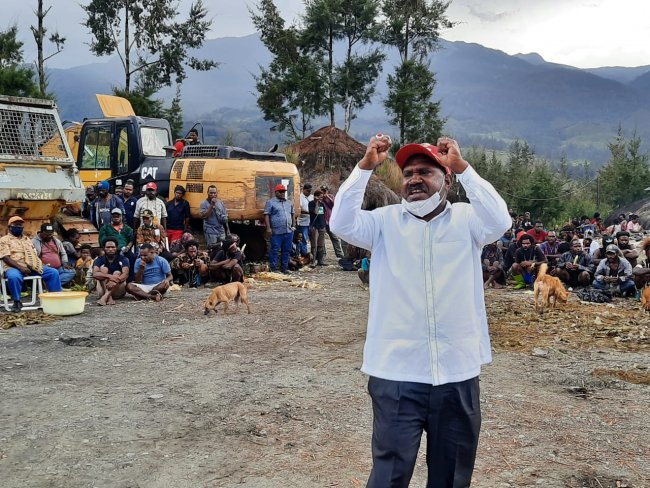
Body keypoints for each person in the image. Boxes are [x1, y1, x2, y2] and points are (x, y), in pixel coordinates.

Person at [329, 136, 511, 488]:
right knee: (389, 476)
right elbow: (341, 223)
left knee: (452, 475)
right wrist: (365, 167)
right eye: (408, 172)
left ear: (447, 178)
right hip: (396, 373)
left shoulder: (468, 221)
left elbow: (500, 220)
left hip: (457, 373)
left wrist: (464, 167)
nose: (414, 178)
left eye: (425, 171)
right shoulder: (382, 224)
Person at [0, 216, 62, 311]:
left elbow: (34, 254)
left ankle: (56, 299)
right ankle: (17, 301)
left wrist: (38, 265)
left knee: (53, 272)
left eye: (20, 225)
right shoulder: (4, 240)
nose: (19, 227)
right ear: (10, 227)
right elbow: (5, 257)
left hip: (31, 267)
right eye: (16, 225)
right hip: (14, 267)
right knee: (13, 276)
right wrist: (21, 268)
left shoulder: (27, 239)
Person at [264, 183, 295, 274]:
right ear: (276, 192)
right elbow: (266, 215)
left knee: (287, 250)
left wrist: (294, 225)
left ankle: (284, 268)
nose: (282, 193)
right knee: (275, 249)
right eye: (280, 191)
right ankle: (273, 268)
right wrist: (268, 228)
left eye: (284, 191)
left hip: (288, 231)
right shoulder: (270, 202)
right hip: (276, 231)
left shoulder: (288, 203)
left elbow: (292, 214)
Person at [92, 238, 130, 306]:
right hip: (102, 291)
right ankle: (108, 297)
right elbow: (95, 274)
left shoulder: (123, 259)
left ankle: (106, 297)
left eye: (113, 247)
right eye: (108, 247)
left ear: (116, 248)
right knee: (104, 269)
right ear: (104, 248)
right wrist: (111, 277)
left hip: (118, 291)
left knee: (117, 273)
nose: (110, 249)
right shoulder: (99, 259)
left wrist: (115, 280)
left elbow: (125, 274)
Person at [320, 185, 345, 258]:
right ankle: (323, 255)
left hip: (330, 220)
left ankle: (339, 254)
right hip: (322, 220)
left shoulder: (330, 196)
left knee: (334, 237)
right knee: (322, 239)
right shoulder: (319, 198)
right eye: (322, 190)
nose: (323, 192)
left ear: (327, 190)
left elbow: (334, 205)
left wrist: (326, 196)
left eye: (324, 190)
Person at [309, 189, 327, 266]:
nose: (321, 199)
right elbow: (315, 212)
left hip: (321, 225)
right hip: (314, 226)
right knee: (314, 244)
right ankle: (313, 261)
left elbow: (321, 213)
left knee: (321, 244)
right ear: (316, 197)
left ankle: (320, 260)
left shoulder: (322, 204)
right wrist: (316, 203)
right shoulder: (311, 203)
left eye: (322, 197)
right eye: (320, 197)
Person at [296, 183, 313, 256]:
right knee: (303, 238)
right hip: (303, 222)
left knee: (311, 239)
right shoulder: (299, 197)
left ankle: (312, 254)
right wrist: (310, 212)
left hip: (311, 221)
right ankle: (303, 253)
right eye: (308, 191)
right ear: (304, 190)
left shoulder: (312, 197)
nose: (309, 192)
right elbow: (300, 209)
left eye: (310, 191)